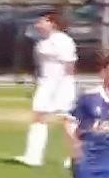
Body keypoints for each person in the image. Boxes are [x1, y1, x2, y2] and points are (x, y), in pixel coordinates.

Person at [15, 11, 77, 167]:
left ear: (53, 24)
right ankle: (33, 156)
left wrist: (65, 85)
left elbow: (69, 65)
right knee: (39, 116)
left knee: (68, 119)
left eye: (42, 21)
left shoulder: (63, 40)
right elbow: (41, 66)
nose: (38, 25)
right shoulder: (43, 42)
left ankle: (76, 156)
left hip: (61, 84)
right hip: (46, 83)